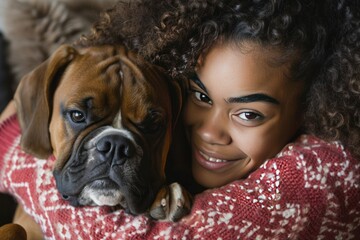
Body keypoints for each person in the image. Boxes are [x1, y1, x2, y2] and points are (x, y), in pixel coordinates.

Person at [0, 0, 359, 239]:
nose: (209, 131)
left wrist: (11, 139)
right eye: (200, 96)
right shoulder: (172, 120)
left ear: (310, 109)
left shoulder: (327, 174)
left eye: (249, 113)